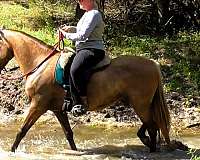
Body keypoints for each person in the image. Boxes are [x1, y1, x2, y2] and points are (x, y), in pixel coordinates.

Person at [59, 0, 105, 116]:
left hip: (92, 49)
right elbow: (83, 30)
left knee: (75, 70)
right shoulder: (88, 13)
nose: (78, 2)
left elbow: (83, 35)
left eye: (80, 0)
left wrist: (66, 35)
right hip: (83, 49)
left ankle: (81, 101)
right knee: (68, 66)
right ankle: (69, 97)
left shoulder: (94, 14)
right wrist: (71, 28)